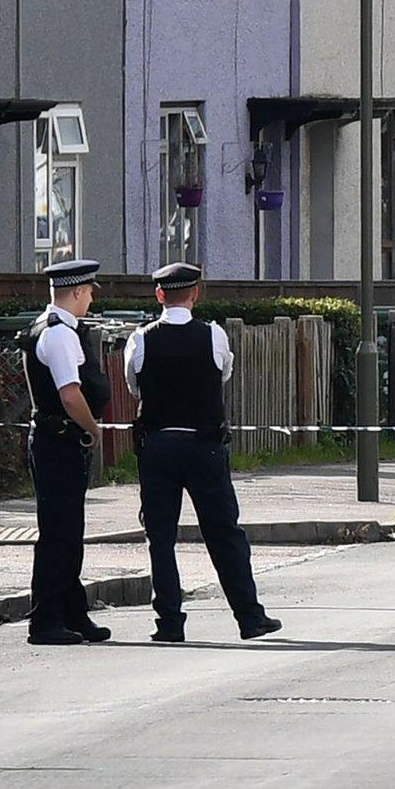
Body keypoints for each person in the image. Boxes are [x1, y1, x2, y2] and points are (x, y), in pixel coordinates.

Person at [125, 262, 282, 642]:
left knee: (160, 536)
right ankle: (249, 616)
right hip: (204, 446)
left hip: (158, 445)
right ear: (195, 294)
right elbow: (222, 374)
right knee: (224, 531)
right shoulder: (214, 336)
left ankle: (169, 623)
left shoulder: (141, 339)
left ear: (159, 295)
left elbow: (134, 387)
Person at [21, 259, 112, 647]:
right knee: (59, 533)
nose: (91, 299)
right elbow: (69, 394)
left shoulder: (55, 328)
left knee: (69, 532)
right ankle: (46, 621)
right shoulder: (58, 335)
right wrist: (92, 428)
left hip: (59, 441)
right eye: (89, 292)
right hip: (58, 441)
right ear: (76, 292)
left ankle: (74, 613)